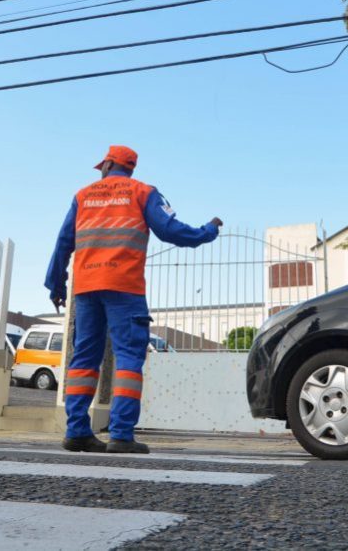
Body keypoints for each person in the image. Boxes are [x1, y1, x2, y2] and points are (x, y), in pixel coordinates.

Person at [45, 145, 221, 454]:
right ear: (130, 168)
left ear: (110, 163)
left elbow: (63, 241)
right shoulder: (143, 192)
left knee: (84, 358)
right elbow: (170, 230)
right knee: (127, 358)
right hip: (124, 286)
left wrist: (55, 284)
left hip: (86, 288)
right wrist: (207, 231)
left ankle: (76, 431)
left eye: (103, 164)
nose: (100, 169)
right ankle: (121, 435)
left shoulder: (83, 195)